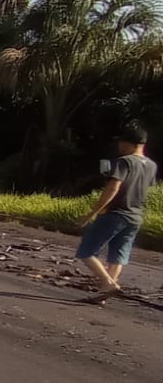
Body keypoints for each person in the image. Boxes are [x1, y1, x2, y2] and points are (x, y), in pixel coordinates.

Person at [76, 123, 156, 302]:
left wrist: (92, 213)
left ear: (130, 143)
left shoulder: (124, 162)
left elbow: (113, 188)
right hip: (135, 216)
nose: (119, 146)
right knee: (118, 255)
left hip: (116, 213)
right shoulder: (151, 166)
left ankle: (108, 283)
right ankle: (104, 292)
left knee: (86, 251)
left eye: (121, 142)